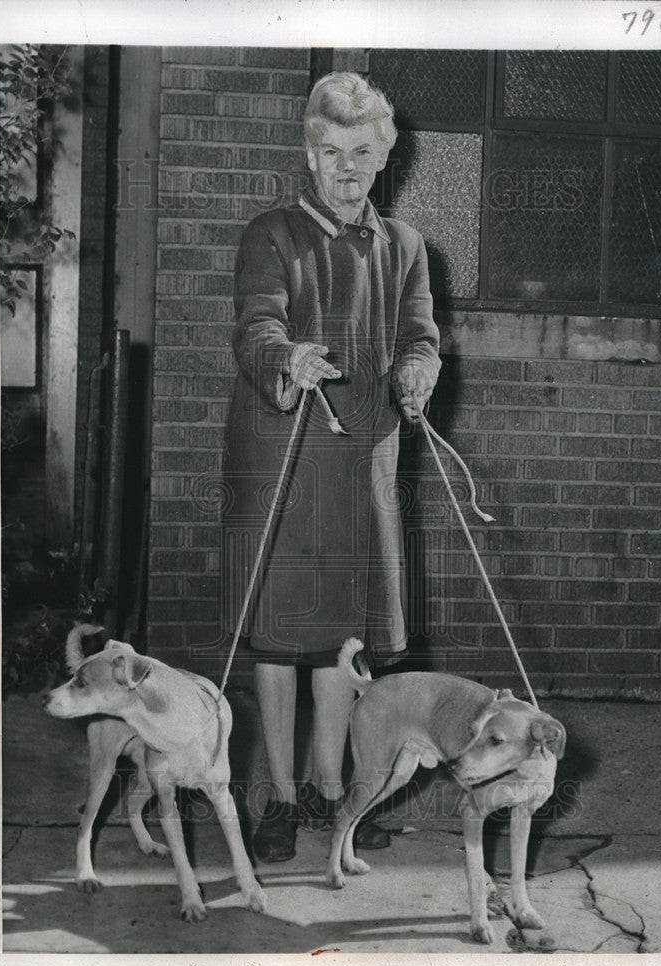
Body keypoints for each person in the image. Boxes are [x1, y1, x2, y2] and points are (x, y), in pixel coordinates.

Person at [222, 72, 441, 862]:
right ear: (308, 156)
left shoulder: (408, 246)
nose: (345, 169)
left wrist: (420, 371)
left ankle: (329, 791)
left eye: (361, 153)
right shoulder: (270, 234)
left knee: (345, 638)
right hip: (280, 454)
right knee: (280, 640)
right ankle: (277, 798)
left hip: (363, 459)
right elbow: (257, 324)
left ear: (383, 157)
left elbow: (420, 336)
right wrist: (289, 355)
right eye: (329, 153)